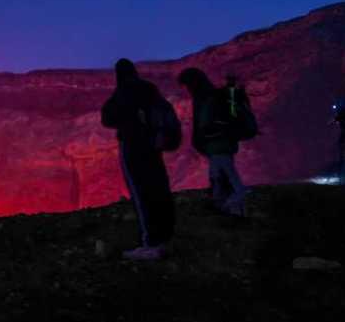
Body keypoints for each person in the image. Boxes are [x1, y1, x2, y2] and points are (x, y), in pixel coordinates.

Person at [101, 58, 176, 260]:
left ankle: (150, 243)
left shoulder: (124, 90)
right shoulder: (151, 89)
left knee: (141, 194)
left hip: (134, 147)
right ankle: (166, 239)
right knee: (159, 188)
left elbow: (107, 118)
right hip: (154, 147)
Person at [177, 67, 248, 217]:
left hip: (217, 144)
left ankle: (233, 207)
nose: (187, 89)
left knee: (227, 177)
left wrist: (201, 140)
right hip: (221, 143)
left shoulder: (206, 97)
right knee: (219, 176)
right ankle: (230, 211)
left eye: (188, 85)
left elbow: (203, 124)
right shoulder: (213, 95)